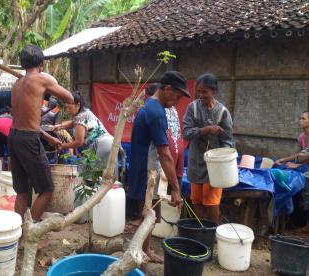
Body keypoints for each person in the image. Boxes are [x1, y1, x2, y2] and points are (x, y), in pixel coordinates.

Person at [128, 71, 190, 263]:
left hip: (145, 168)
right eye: (178, 97)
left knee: (150, 215)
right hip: (149, 171)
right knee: (149, 216)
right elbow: (164, 153)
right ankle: (141, 254)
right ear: (168, 89)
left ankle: (145, 250)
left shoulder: (151, 107)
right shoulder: (155, 112)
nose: (178, 102)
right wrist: (176, 189)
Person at [8, 44, 73, 220]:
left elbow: (25, 120)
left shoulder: (17, 84)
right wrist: (50, 82)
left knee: (22, 192)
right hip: (28, 140)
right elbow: (70, 98)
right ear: (41, 64)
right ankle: (31, 234)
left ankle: (17, 235)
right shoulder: (41, 79)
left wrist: (47, 136)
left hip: (14, 137)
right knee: (46, 190)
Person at [183, 73, 234, 224]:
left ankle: (212, 231)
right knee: (197, 201)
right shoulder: (192, 108)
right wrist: (206, 130)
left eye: (204, 92)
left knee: (211, 201)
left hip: (215, 165)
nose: (201, 95)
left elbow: (228, 140)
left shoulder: (223, 112)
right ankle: (200, 230)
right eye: (198, 91)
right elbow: (186, 133)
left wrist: (226, 160)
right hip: (196, 161)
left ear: (214, 91)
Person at [54, 91, 114, 167]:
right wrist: (60, 126)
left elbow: (79, 142)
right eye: (66, 108)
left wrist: (62, 146)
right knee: (103, 173)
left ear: (77, 105)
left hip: (99, 144)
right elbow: (73, 122)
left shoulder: (80, 117)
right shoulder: (85, 112)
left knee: (89, 173)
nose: (67, 111)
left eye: (69, 108)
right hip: (109, 142)